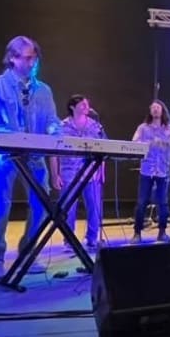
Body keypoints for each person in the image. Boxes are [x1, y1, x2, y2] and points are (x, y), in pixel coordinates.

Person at [0, 36, 60, 281]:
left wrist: (55, 133)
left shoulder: (44, 90)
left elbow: (52, 120)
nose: (32, 62)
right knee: (0, 206)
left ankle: (29, 252)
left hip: (34, 157)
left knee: (41, 204)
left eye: (34, 57)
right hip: (3, 158)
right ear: (12, 58)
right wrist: (19, 139)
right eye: (27, 58)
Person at [51, 94, 105, 251]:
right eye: (82, 104)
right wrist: (55, 175)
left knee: (94, 207)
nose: (86, 107)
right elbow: (53, 152)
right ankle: (69, 240)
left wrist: (101, 170)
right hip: (69, 173)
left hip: (91, 173)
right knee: (68, 208)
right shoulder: (61, 126)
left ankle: (92, 238)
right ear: (72, 107)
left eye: (87, 104)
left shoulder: (96, 126)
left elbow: (104, 149)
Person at [131, 100, 170, 243]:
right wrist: (147, 143)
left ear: (162, 110)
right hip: (147, 170)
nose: (155, 110)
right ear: (150, 111)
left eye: (157, 107)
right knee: (141, 202)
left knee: (163, 203)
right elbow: (134, 143)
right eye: (153, 108)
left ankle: (162, 232)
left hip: (163, 171)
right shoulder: (143, 128)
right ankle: (137, 233)